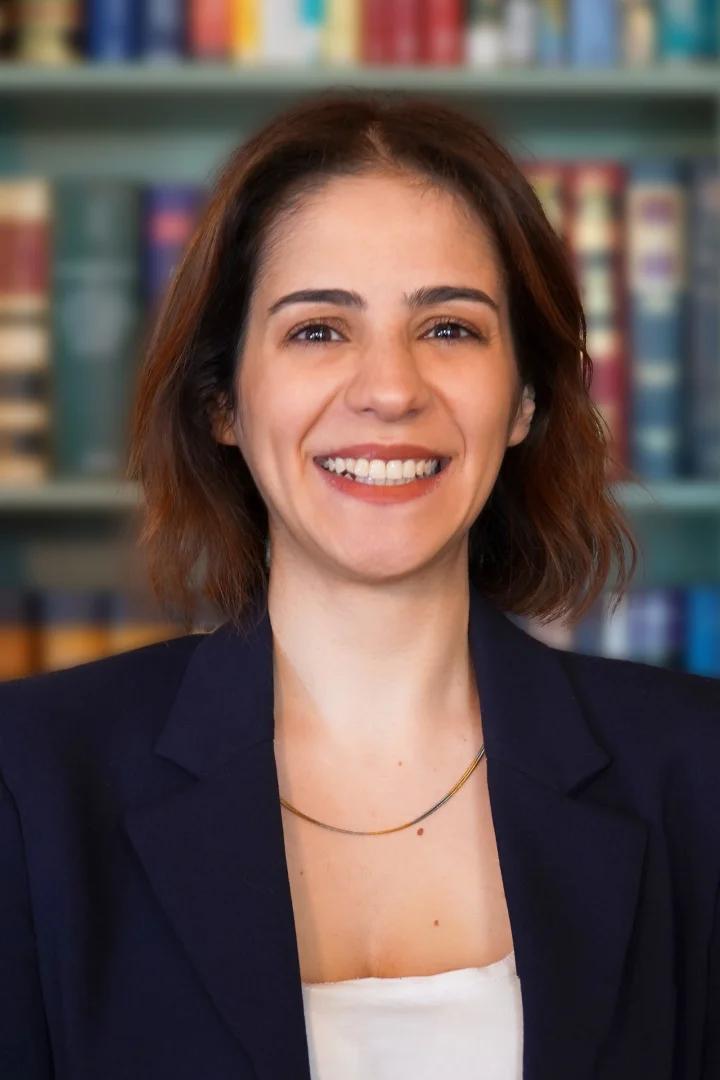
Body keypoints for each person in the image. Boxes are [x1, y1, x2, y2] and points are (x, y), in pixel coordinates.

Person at [0, 91, 718, 1080]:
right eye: (318, 331)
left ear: (524, 400)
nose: (390, 388)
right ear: (223, 402)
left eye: (452, 329)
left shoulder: (700, 772)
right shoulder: (29, 780)